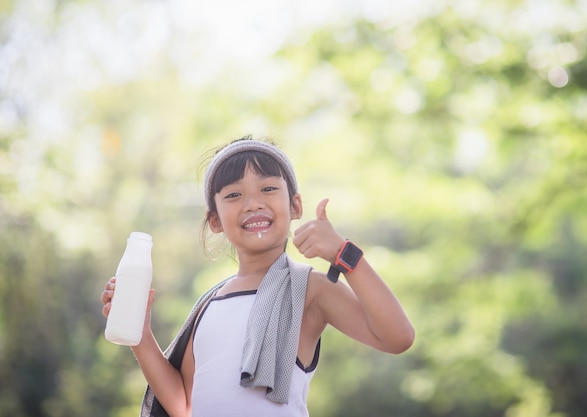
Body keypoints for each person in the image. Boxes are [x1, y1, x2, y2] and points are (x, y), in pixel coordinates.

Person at [101, 137, 415, 417]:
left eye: (267, 189)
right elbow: (185, 405)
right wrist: (140, 335)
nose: (253, 203)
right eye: (234, 195)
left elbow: (398, 337)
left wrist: (343, 255)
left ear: (294, 205)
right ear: (215, 220)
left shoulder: (308, 288)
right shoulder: (210, 303)